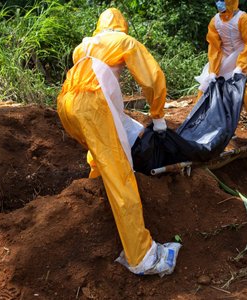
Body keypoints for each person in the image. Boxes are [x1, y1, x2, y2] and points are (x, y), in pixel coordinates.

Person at [57, 8, 180, 276]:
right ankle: (141, 257)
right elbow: (152, 78)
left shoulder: (84, 46)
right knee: (121, 175)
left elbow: (96, 83)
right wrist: (158, 116)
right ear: (121, 27)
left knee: (100, 152)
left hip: (67, 105)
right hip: (92, 107)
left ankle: (96, 180)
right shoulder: (123, 42)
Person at [195, 0, 247, 155]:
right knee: (206, 90)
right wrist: (213, 71)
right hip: (228, 59)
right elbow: (215, 48)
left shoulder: (245, 19)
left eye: (223, 0)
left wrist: (241, 67)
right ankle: (201, 132)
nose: (219, 3)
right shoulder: (215, 21)